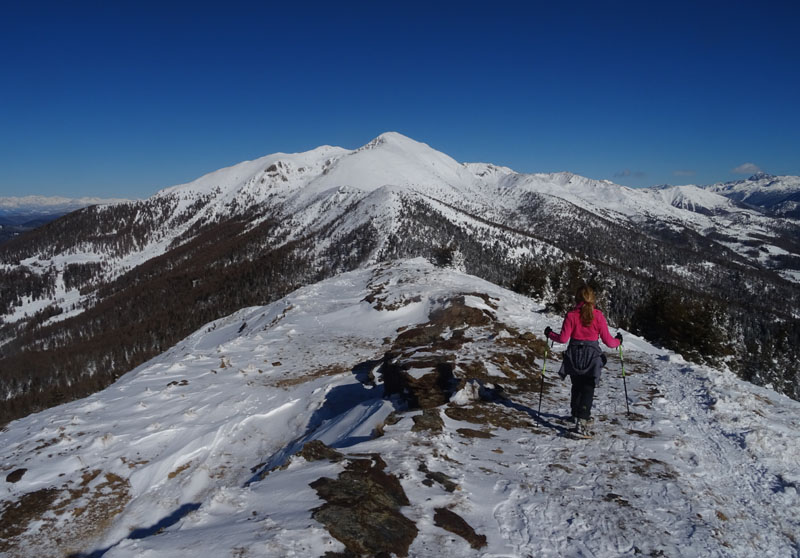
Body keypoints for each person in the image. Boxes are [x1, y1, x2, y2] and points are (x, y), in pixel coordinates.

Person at [544, 285, 622, 437]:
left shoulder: (571, 315)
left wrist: (549, 333)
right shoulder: (598, 316)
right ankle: (582, 420)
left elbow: (563, 339)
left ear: (577, 299)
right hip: (592, 358)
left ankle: (575, 414)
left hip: (573, 355)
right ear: (593, 300)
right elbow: (609, 342)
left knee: (577, 385)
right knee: (588, 387)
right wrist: (618, 340)